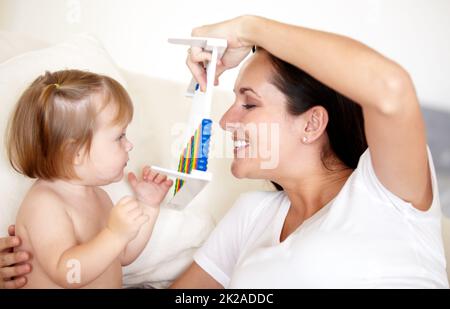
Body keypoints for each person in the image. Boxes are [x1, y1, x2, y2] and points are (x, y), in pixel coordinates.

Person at [1, 15, 448, 288]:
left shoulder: (386, 190)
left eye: (248, 103)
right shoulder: (252, 215)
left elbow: (390, 89)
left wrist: (249, 29)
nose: (227, 120)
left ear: (312, 123)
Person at [0, 70, 172, 288]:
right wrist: (114, 235)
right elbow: (68, 273)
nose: (129, 145)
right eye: (119, 136)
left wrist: (148, 206)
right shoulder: (45, 204)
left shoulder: (98, 196)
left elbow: (123, 255)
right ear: (75, 153)